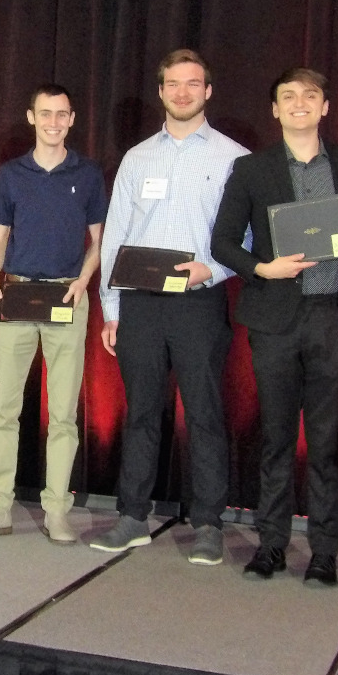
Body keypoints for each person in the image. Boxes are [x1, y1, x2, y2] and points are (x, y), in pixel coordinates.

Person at [210, 68, 338, 585]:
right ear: (274, 110)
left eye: (310, 96)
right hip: (274, 320)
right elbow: (223, 243)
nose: (299, 103)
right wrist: (262, 267)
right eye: (288, 97)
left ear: (325, 107)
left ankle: (324, 552)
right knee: (277, 439)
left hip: (332, 319)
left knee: (326, 442)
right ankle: (272, 545)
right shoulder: (251, 169)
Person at [92, 49, 248, 562]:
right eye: (173, 84)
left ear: (208, 91)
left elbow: (247, 237)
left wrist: (215, 269)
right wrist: (111, 309)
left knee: (203, 413)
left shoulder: (233, 158)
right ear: (161, 92)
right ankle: (132, 517)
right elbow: (115, 236)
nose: (182, 93)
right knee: (139, 414)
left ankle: (208, 524)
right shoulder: (138, 158)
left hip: (198, 303)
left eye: (193, 84)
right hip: (138, 304)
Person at [0, 84, 107, 545]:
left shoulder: (89, 174)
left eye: (62, 115)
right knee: (4, 410)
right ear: (31, 117)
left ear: (72, 119)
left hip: (66, 298)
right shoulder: (12, 174)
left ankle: (57, 509)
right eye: (45, 114)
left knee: (62, 416)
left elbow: (99, 241)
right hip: (16, 296)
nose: (54, 122)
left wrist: (83, 280)